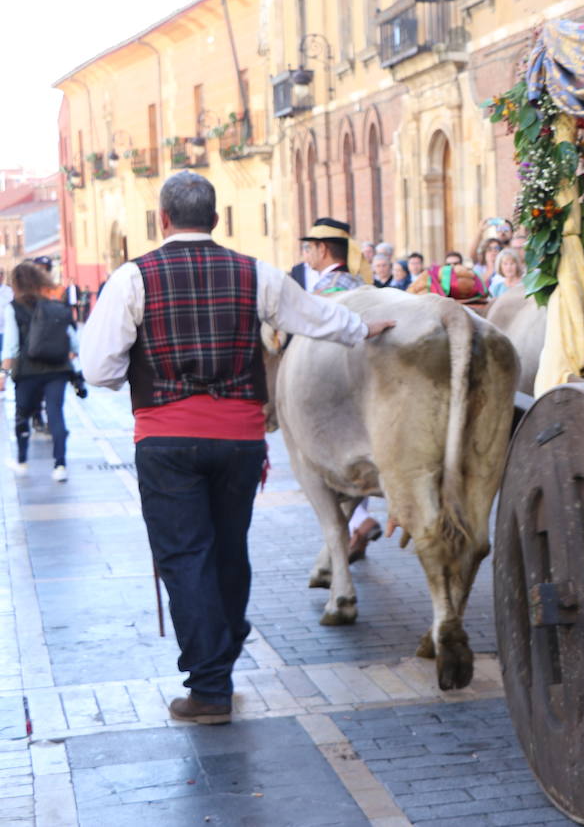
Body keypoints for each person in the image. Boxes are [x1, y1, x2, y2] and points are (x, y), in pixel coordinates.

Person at [79, 172, 394, 725]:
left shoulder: (134, 278)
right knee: (228, 550)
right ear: (217, 220)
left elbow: (100, 370)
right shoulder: (255, 273)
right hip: (239, 440)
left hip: (167, 438)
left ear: (163, 220)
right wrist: (364, 330)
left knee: (185, 558)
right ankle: (221, 654)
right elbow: (316, 317)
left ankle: (210, 687)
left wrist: (151, 369)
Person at [2, 261, 79, 480]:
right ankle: (60, 465)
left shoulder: (13, 308)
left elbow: (12, 345)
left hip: (27, 372)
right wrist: (72, 353)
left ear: (16, 283)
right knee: (56, 413)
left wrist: (4, 374)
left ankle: (23, 461)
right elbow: (72, 339)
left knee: (23, 415)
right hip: (57, 369)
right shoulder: (52, 305)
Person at [300, 218, 371, 293]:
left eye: (309, 247)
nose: (308, 253)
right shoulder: (357, 278)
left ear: (322, 248)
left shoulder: (329, 287)